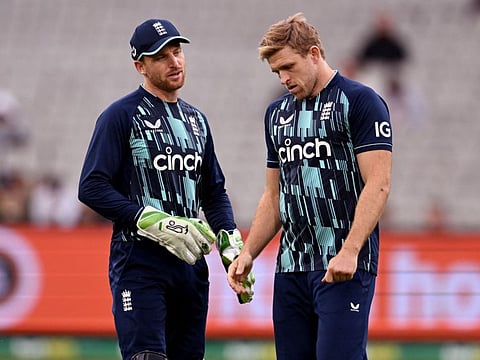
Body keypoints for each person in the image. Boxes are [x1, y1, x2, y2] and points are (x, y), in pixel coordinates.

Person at [78, 18, 253, 360]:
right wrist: (147, 219)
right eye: (161, 56)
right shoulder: (121, 116)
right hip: (139, 260)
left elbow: (214, 192)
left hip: (190, 264)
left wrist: (230, 241)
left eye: (177, 51)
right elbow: (91, 186)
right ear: (140, 66)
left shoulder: (197, 120)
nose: (174, 61)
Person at [228, 13, 392, 360]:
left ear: (314, 54)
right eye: (276, 72)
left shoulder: (361, 102)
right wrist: (248, 253)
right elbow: (274, 197)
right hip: (291, 268)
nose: (283, 78)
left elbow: (378, 183)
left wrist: (350, 251)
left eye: (288, 66)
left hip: (342, 266)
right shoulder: (276, 115)